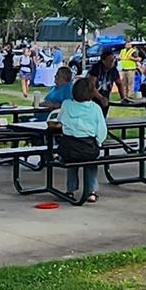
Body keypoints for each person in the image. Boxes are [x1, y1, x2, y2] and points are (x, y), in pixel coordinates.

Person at [54, 74, 109, 203]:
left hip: (69, 147)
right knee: (91, 165)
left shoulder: (66, 104)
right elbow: (102, 131)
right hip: (88, 147)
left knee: (72, 165)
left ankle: (71, 190)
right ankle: (91, 191)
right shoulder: (95, 108)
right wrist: (99, 142)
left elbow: (60, 121)